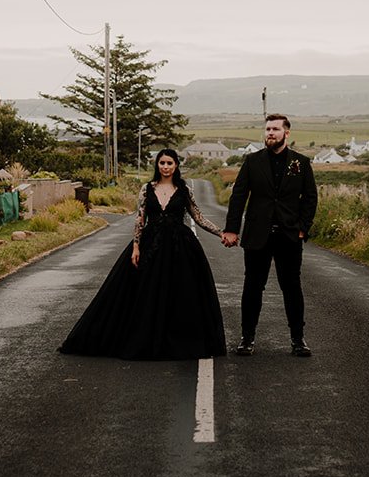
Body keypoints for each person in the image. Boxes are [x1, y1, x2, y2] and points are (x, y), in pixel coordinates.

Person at [58, 148, 227, 360]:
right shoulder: (147, 189)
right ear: (157, 165)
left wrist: (220, 232)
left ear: (176, 166)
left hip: (180, 248)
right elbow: (140, 219)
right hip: (150, 246)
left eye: (169, 163)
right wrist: (136, 247)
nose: (165, 167)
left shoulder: (184, 190)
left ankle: (179, 341)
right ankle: (143, 339)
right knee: (143, 294)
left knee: (182, 294)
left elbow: (199, 217)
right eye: (162, 163)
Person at [222, 113, 318, 357]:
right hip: (257, 235)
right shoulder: (252, 161)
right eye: (267, 129)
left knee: (292, 287)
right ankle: (247, 339)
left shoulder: (301, 163)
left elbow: (310, 198)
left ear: (287, 133)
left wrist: (302, 228)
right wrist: (232, 228)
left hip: (289, 236)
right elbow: (239, 196)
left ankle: (298, 340)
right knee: (253, 287)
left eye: (275, 129)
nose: (270, 133)